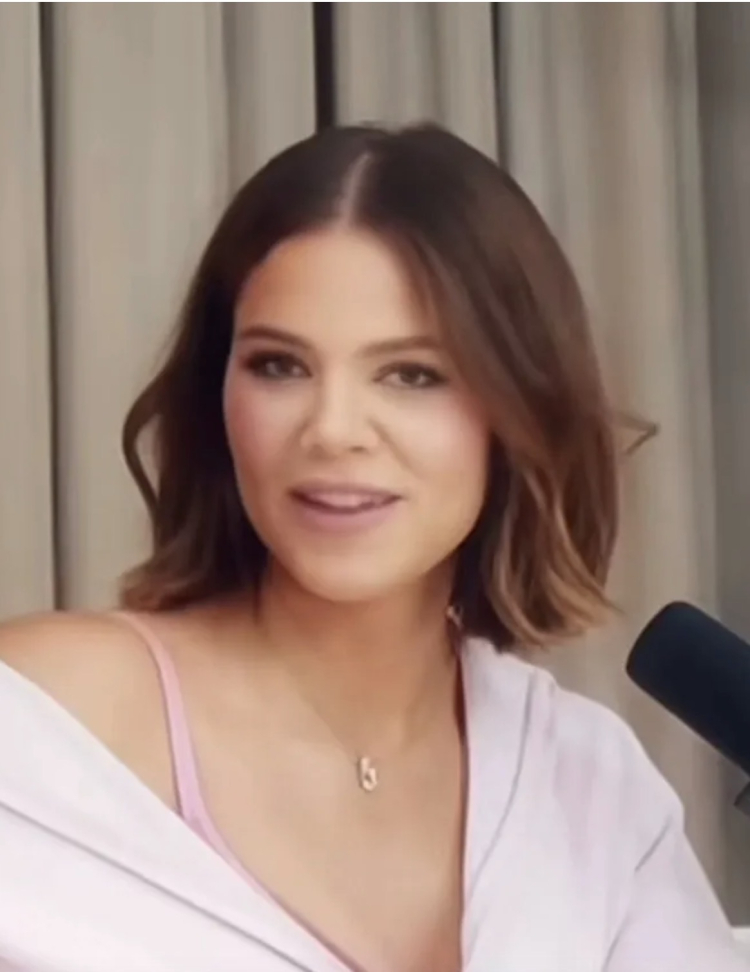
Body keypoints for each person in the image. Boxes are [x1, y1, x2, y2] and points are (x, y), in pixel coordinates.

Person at [0, 124, 745, 972]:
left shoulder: (586, 785)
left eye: (412, 375)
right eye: (279, 365)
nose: (333, 429)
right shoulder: (42, 722)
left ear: (519, 409)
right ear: (218, 395)